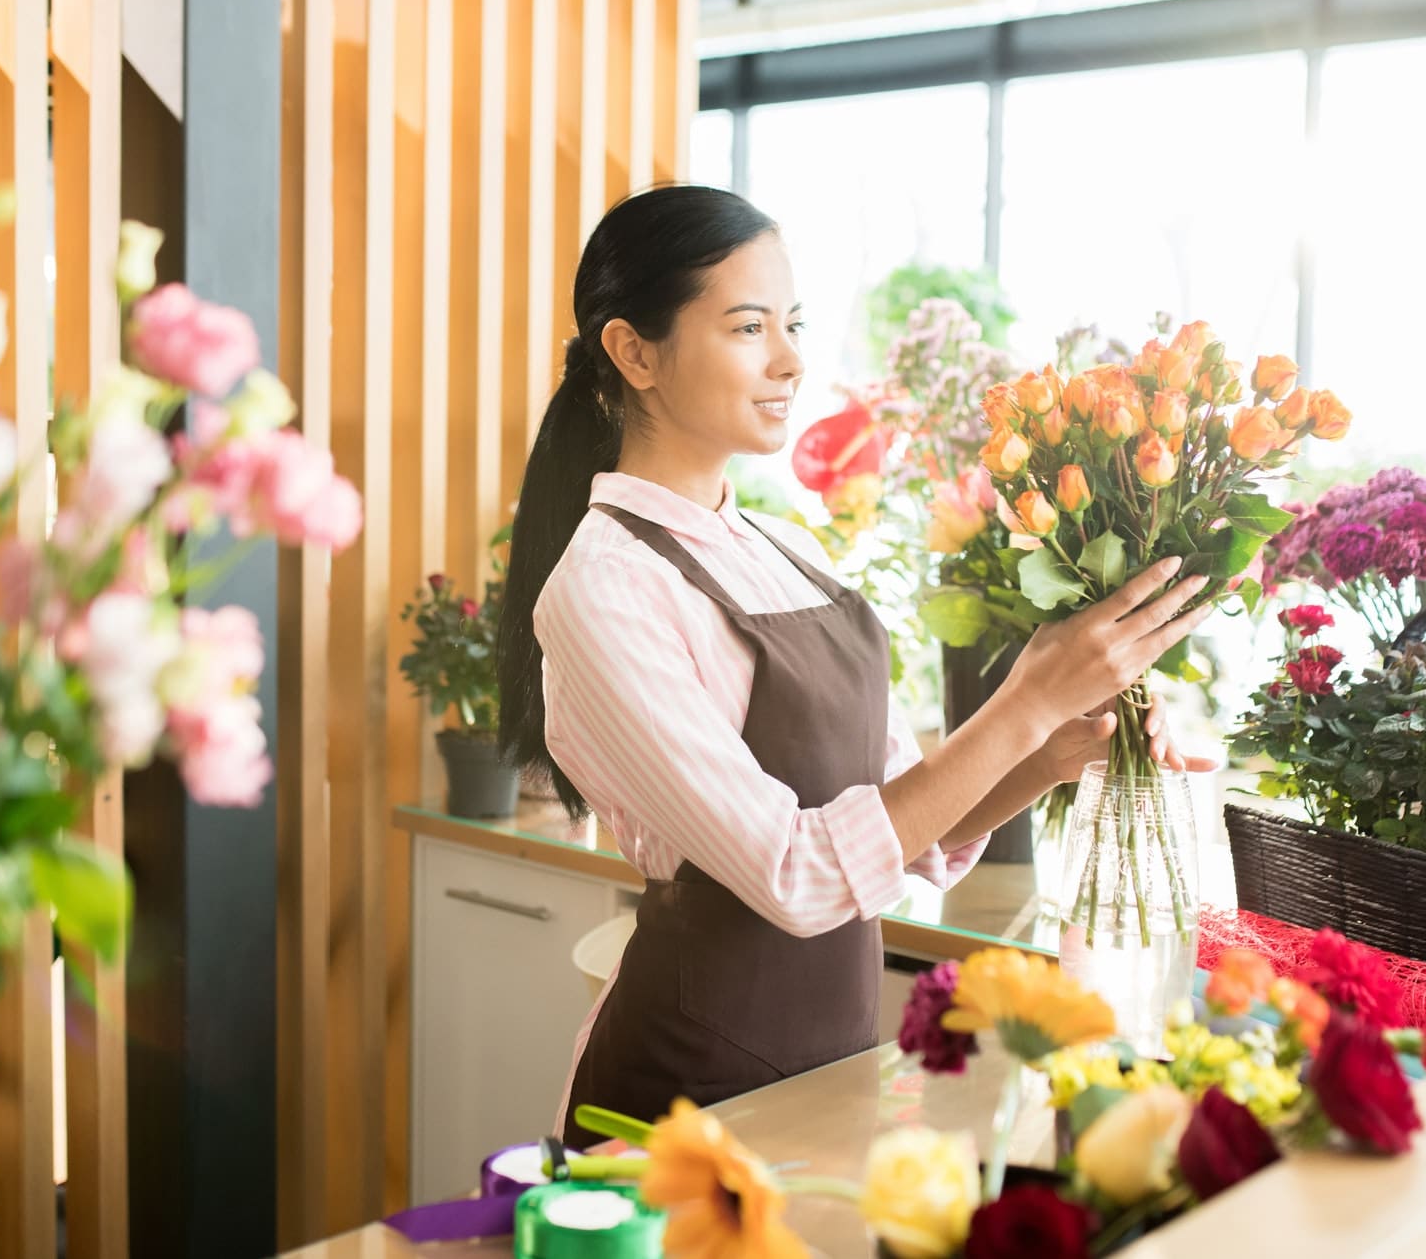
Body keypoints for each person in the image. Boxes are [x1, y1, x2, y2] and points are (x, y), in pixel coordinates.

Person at [496, 185, 1214, 1147]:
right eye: (749, 327)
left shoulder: (790, 547)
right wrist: (1023, 699)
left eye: (792, 324)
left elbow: (898, 826)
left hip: (825, 1074)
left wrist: (1052, 749)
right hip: (676, 1105)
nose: (791, 359)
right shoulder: (603, 587)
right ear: (634, 352)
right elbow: (795, 872)